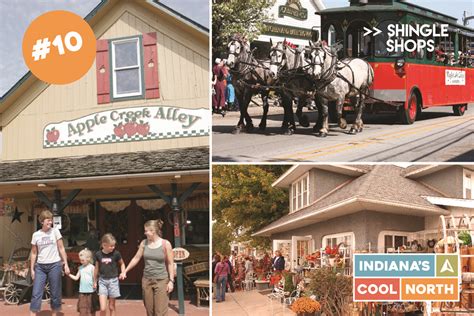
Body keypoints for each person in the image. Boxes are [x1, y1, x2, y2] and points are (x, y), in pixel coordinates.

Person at [121, 220, 175, 316]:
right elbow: (136, 258)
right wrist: (125, 271)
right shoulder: (144, 243)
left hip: (161, 280)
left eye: (146, 231)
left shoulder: (165, 244)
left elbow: (170, 263)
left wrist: (171, 281)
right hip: (147, 280)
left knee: (160, 312)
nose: (145, 233)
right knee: (150, 311)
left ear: (153, 231)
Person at [30, 210, 70, 316]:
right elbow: (34, 253)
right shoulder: (36, 235)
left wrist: (65, 263)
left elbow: (61, 248)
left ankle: (54, 314)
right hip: (40, 267)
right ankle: (33, 314)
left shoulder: (55, 231)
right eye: (48, 220)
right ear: (42, 221)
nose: (50, 222)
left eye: (51, 220)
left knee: (55, 292)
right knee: (36, 292)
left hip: (55, 265)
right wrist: (32, 269)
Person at [94, 233, 125, 316]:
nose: (113, 247)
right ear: (104, 245)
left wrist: (123, 272)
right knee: (103, 308)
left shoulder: (116, 254)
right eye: (111, 246)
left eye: (114, 245)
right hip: (102, 281)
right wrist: (94, 281)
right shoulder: (98, 254)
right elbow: (96, 268)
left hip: (113, 281)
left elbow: (122, 264)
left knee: (111, 306)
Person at [69, 249, 98, 316]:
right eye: (80, 260)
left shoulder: (92, 267)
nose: (81, 262)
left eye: (83, 260)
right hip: (82, 291)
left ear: (88, 258)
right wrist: (69, 274)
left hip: (91, 291)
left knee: (91, 308)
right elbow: (76, 278)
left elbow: (95, 277)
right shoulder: (80, 268)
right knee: (82, 308)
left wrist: (95, 283)